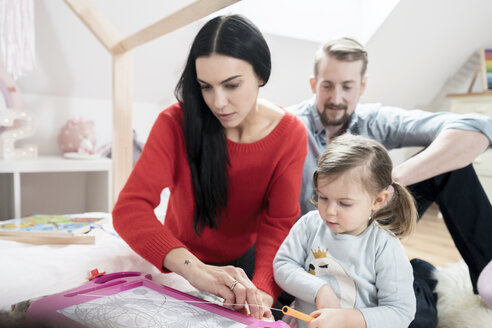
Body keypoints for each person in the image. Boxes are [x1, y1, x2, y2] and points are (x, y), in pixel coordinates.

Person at [112, 14, 307, 320]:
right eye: (205, 87)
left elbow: (279, 223)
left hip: (250, 259)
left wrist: (261, 294)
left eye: (231, 85)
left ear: (261, 75)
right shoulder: (174, 122)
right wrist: (195, 271)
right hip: (184, 258)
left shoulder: (291, 133)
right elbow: (129, 208)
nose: (218, 103)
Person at [291, 37, 492, 310]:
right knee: (419, 317)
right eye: (327, 86)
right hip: (319, 242)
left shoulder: (374, 121)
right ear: (314, 84)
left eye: (347, 87)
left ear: (362, 86)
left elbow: (477, 128)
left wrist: (391, 180)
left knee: (451, 165)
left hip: (370, 225)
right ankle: (422, 274)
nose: (336, 98)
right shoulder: (290, 127)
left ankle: (488, 278)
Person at [274, 134, 418, 328]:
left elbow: (400, 311)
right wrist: (319, 289)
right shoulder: (309, 225)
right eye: (323, 197)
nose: (330, 211)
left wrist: (345, 319)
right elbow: (283, 265)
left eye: (344, 203)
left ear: (378, 200)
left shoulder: (384, 245)